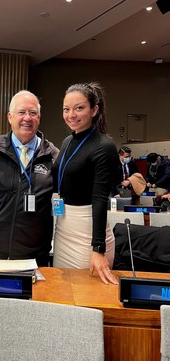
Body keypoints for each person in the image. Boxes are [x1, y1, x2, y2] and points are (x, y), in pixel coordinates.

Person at [0, 90, 59, 266]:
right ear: (10, 117)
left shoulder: (53, 156)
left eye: (33, 113)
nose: (27, 118)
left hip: (35, 258)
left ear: (39, 118)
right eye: (21, 112)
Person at [52, 82, 119, 285]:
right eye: (66, 109)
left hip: (88, 233)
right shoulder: (66, 142)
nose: (71, 114)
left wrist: (98, 249)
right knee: (61, 290)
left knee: (85, 294)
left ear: (94, 110)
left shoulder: (104, 146)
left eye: (79, 108)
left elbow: (100, 199)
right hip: (63, 228)